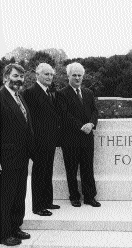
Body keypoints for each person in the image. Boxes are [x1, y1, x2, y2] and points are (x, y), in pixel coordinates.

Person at [0, 63, 34, 246]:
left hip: (22, 157)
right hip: (7, 157)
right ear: (6, 77)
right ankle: (4, 234)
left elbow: (25, 126)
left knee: (19, 195)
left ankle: (15, 227)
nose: (19, 80)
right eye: (15, 76)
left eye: (21, 77)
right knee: (5, 197)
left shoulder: (19, 97)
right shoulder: (1, 97)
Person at [22, 63, 62, 216]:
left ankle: (47, 201)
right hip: (38, 142)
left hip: (50, 141)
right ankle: (38, 207)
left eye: (51, 75)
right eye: (46, 74)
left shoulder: (48, 92)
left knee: (47, 171)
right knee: (39, 173)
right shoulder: (30, 93)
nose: (49, 77)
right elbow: (28, 120)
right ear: (37, 75)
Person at [59, 62, 100, 207]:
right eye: (74, 75)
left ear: (83, 77)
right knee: (71, 169)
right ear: (68, 76)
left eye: (79, 75)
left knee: (88, 168)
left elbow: (95, 111)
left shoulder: (88, 93)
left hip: (87, 137)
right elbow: (64, 115)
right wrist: (81, 126)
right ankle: (74, 197)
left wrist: (91, 124)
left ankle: (90, 197)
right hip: (70, 138)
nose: (77, 78)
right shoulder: (62, 94)